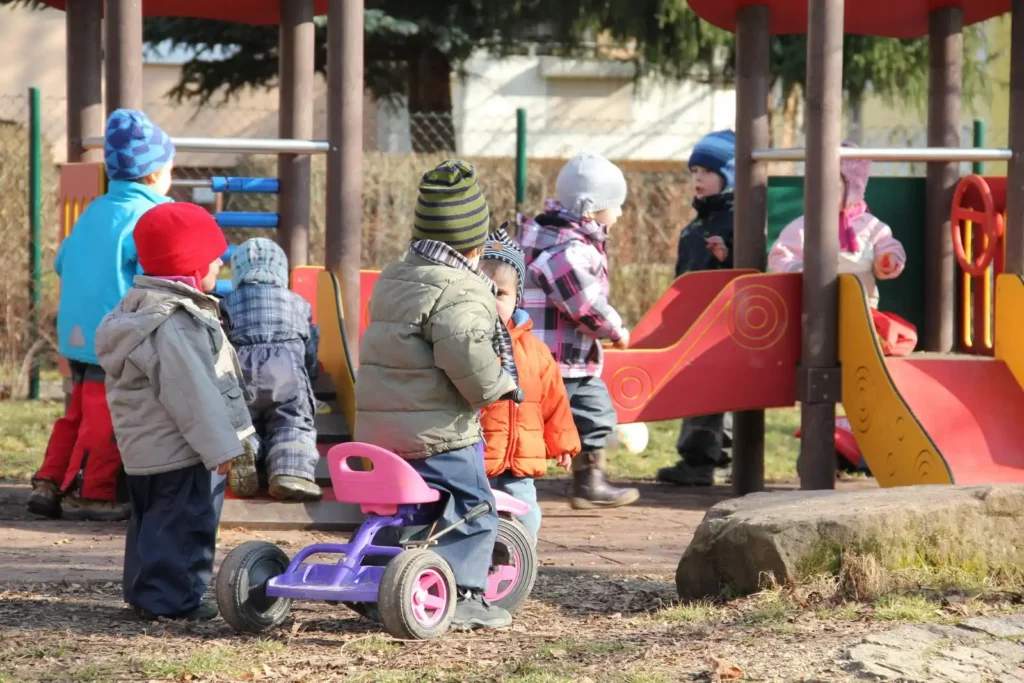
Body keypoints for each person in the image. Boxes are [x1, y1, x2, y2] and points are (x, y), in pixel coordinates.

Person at [355, 159, 519, 630]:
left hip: (379, 430)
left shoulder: (395, 276)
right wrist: (496, 387)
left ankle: (379, 579)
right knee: (474, 505)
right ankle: (466, 593)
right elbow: (466, 352)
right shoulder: (464, 289)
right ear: (476, 242)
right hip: (436, 432)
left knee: (407, 509)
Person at [95, 202, 255, 621]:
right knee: (186, 526)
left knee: (153, 523)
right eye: (212, 257)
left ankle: (147, 591)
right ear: (188, 266)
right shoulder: (174, 323)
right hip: (183, 448)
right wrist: (221, 448)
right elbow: (193, 394)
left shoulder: (141, 308)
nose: (221, 261)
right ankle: (173, 600)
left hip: (148, 450)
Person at [28, 109, 175, 522]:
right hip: (112, 337)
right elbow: (153, 270)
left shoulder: (94, 211)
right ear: (152, 174)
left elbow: (61, 263)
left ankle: (49, 481)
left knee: (76, 412)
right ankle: (93, 493)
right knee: (104, 419)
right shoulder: (149, 215)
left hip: (75, 334)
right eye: (169, 170)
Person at [517, 152, 639, 510]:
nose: (617, 214)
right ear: (591, 210)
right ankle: (589, 481)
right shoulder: (568, 250)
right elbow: (583, 303)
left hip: (547, 357)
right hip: (562, 361)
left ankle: (576, 482)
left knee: (535, 418)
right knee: (595, 413)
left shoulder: (551, 237)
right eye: (614, 207)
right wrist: (615, 329)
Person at [478, 228, 581, 541]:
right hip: (480, 459)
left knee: (526, 515)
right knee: (476, 516)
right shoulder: (466, 343)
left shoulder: (534, 350)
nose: (491, 301)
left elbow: (554, 400)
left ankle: (520, 562)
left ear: (516, 298)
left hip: (521, 460)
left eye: (500, 293)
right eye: (482, 290)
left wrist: (562, 441)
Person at [659, 130, 737, 487]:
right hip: (695, 323)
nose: (698, 179)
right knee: (694, 390)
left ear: (730, 175)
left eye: (707, 171)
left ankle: (719, 457)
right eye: (694, 172)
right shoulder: (693, 228)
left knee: (719, 391)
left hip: (728, 325)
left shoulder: (740, 221)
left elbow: (753, 270)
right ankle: (696, 457)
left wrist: (728, 255)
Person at [220, 238, 322, 502]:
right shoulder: (298, 302)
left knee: (244, 421)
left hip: (239, 371)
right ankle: (291, 472)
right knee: (292, 421)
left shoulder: (226, 303)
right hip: (286, 369)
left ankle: (246, 449)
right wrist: (310, 375)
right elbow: (309, 345)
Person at [768, 141, 906, 308]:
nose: (821, 192)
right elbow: (780, 255)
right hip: (816, 307)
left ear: (853, 189)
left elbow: (888, 244)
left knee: (893, 332)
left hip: (862, 306)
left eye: (832, 187)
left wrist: (887, 259)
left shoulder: (869, 224)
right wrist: (797, 270)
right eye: (816, 186)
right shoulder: (804, 225)